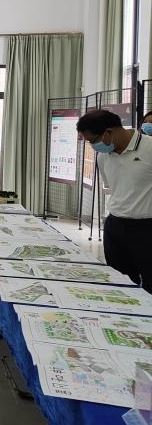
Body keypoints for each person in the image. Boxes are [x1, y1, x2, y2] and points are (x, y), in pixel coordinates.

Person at [76, 109, 152, 291]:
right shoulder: (103, 156)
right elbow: (114, 187)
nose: (93, 146)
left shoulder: (149, 148)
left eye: (93, 140)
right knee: (120, 284)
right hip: (115, 227)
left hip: (146, 228)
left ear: (108, 132)